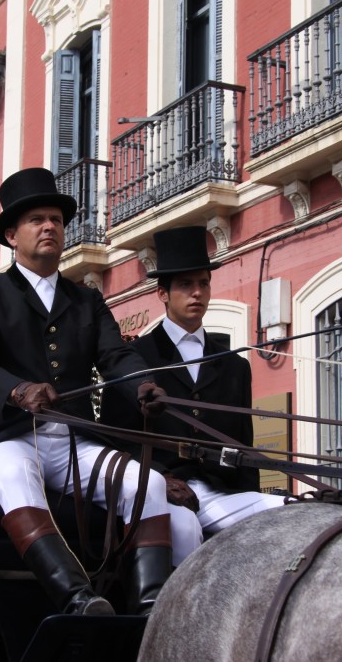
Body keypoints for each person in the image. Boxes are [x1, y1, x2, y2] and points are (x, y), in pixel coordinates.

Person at [0, 167, 172, 616]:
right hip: (7, 437)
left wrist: (143, 385)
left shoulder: (86, 299)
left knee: (147, 484)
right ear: (12, 235)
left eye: (55, 218)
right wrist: (17, 391)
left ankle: (151, 609)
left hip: (75, 439)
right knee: (15, 473)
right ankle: (76, 599)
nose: (50, 226)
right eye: (37, 219)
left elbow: (115, 357)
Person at [100, 226, 285, 566]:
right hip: (163, 492)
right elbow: (116, 441)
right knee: (183, 528)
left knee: (289, 512)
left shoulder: (234, 367)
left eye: (203, 283)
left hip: (223, 491)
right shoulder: (134, 360)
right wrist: (158, 478)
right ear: (163, 294)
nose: (197, 293)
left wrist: (251, 491)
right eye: (185, 285)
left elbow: (243, 444)